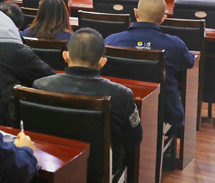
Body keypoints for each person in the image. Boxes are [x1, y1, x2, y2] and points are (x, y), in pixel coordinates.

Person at [34, 29, 143, 173]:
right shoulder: (121, 95)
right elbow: (134, 140)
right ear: (102, 62)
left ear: (65, 56)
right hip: (99, 171)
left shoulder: (40, 86)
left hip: (51, 163)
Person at [105, 0, 194, 130]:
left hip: (119, 111)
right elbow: (190, 62)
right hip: (163, 113)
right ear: (163, 18)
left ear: (136, 13)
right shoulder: (175, 45)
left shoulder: (111, 42)